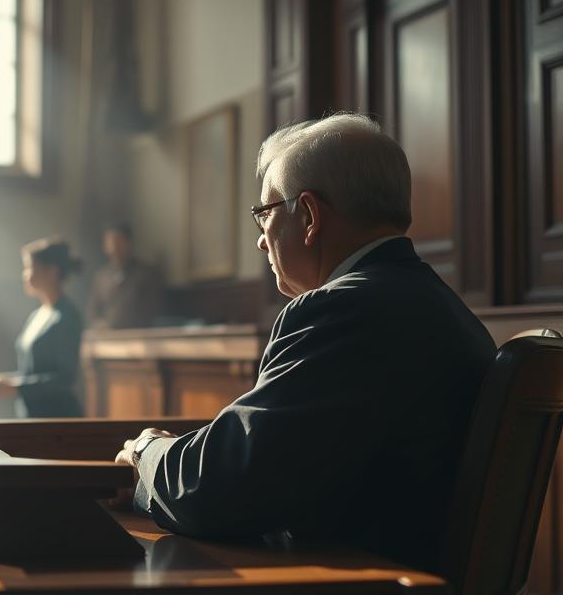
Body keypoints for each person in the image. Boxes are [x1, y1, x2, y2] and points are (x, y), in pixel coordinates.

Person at [113, 113, 495, 573]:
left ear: (309, 217)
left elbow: (217, 490)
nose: (261, 242)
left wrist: (146, 451)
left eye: (265, 214)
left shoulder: (344, 311)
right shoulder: (444, 308)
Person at [0, 237, 85, 418]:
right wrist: (8, 381)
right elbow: (31, 371)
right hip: (30, 414)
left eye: (30, 267)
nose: (25, 274)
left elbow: (65, 378)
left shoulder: (67, 316)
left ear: (51, 271)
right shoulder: (37, 315)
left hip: (56, 418)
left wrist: (16, 387)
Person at [85, 222, 162, 329]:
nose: (114, 247)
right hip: (109, 337)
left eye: (118, 242)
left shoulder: (145, 273)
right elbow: (92, 311)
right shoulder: (101, 276)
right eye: (110, 243)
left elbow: (153, 310)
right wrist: (99, 324)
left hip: (138, 337)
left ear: (129, 243)